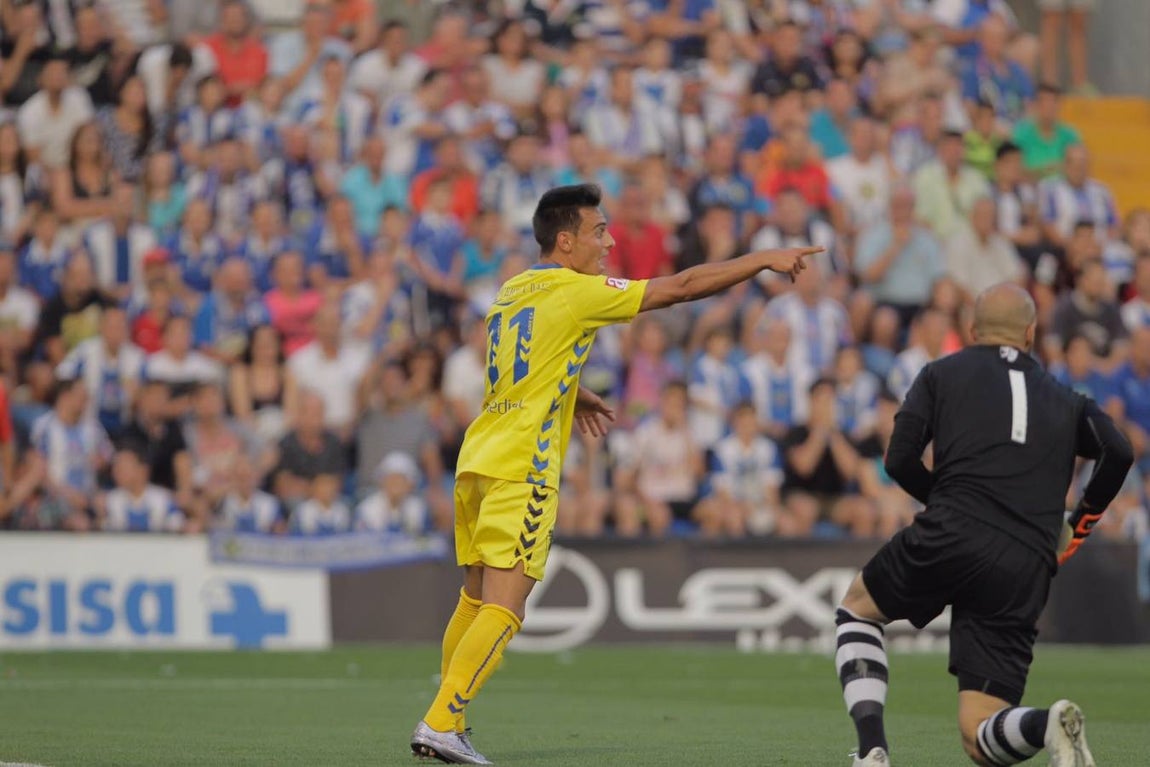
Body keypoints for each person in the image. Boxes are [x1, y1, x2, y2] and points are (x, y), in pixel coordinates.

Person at [409, 183, 816, 763]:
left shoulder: (510, 289)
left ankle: (452, 719)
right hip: (524, 463)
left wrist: (574, 394)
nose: (611, 240)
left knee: (474, 599)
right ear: (567, 240)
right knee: (508, 604)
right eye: (600, 231)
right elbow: (679, 288)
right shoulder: (576, 291)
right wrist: (762, 261)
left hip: (480, 456)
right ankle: (442, 722)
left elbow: (523, 367)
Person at [831, 283, 1132, 767]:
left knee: (858, 611)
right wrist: (1079, 525)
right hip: (1026, 560)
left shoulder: (940, 374)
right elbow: (1119, 451)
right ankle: (1046, 722)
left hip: (952, 530)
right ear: (1032, 333)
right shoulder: (1066, 398)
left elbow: (899, 459)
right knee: (980, 734)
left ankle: (872, 752)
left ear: (971, 331)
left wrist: (951, 502)